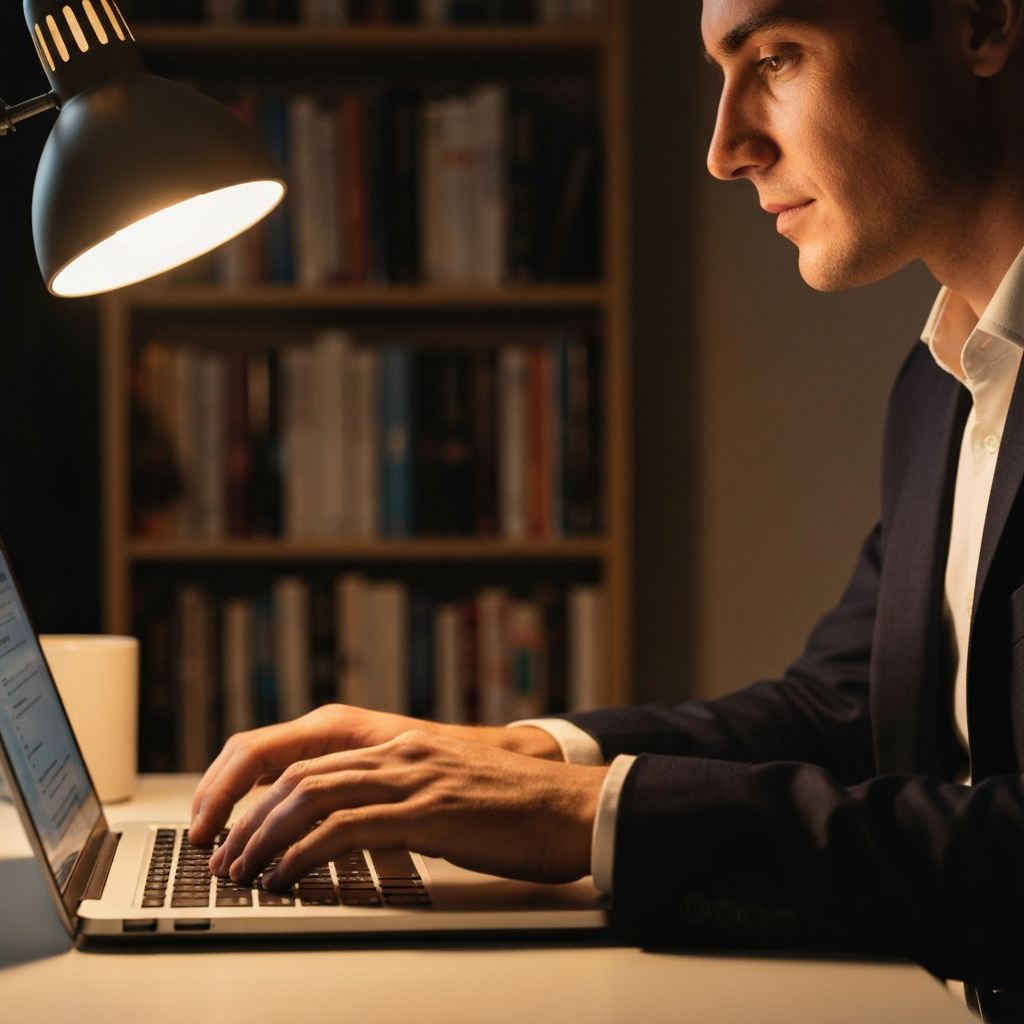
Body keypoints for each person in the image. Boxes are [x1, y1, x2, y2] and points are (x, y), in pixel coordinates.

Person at [190, 0, 1024, 1013]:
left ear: (980, 23)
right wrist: (516, 755)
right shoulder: (941, 382)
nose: (724, 149)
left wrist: (589, 813)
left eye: (778, 56)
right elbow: (838, 714)